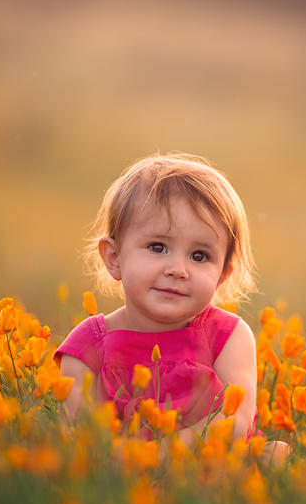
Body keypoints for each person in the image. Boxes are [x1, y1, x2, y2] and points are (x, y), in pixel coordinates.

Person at [55, 153, 288, 464]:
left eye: (200, 256)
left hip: (211, 464)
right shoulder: (88, 349)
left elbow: (235, 423)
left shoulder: (228, 337)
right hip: (125, 477)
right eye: (158, 247)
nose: (178, 269)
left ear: (222, 275)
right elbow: (82, 441)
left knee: (275, 456)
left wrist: (161, 456)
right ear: (114, 257)